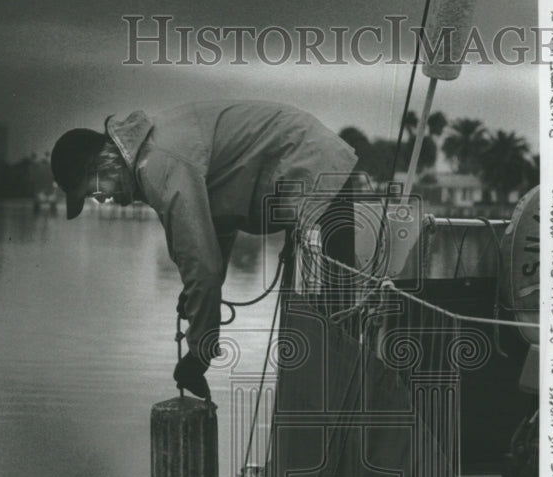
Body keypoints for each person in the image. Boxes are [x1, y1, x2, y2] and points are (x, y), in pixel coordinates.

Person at [50, 100, 358, 399]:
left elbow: (201, 264)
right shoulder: (151, 154)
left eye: (93, 191)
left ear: (103, 164)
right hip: (307, 158)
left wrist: (199, 355)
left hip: (312, 164)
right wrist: (193, 293)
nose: (100, 199)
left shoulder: (159, 165)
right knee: (336, 312)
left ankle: (347, 393)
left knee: (340, 310)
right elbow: (216, 228)